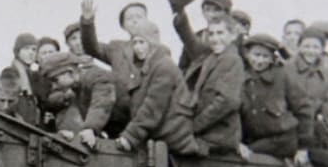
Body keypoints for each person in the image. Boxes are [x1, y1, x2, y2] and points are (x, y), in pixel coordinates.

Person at [112, 27, 199, 155]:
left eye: (142, 42)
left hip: (173, 137)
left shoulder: (164, 66)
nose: (137, 48)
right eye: (134, 43)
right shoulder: (147, 68)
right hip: (160, 137)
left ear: (153, 43)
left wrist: (130, 137)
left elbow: (153, 106)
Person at [237, 34, 316, 161]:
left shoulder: (282, 76)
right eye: (256, 55)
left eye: (265, 56)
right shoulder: (241, 77)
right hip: (254, 139)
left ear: (272, 59)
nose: (260, 61)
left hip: (281, 140)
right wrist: (238, 141)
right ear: (247, 55)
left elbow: (304, 109)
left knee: (249, 154)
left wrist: (303, 148)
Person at [186, 16, 245, 155]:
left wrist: (194, 126)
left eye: (220, 33)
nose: (215, 38)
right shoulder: (210, 59)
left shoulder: (233, 60)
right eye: (211, 34)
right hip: (207, 131)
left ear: (232, 35)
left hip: (221, 135)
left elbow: (226, 101)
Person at [39, 51, 118, 148]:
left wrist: (90, 129)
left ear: (70, 73)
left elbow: (102, 104)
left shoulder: (96, 77)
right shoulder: (77, 88)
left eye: (55, 80)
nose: (55, 86)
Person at [167, 0, 232, 70]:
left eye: (217, 10)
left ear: (227, 13)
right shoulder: (199, 35)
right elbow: (183, 66)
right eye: (207, 9)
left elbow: (198, 49)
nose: (211, 15)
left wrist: (181, 15)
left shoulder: (233, 38)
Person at [284, 25, 328, 109]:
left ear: (322, 49)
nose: (311, 51)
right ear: (299, 47)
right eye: (306, 46)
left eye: (316, 47)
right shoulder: (286, 69)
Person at [2, 33, 42, 125]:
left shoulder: (31, 75)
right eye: (26, 49)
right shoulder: (11, 73)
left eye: (34, 49)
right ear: (17, 51)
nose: (30, 53)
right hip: (16, 125)